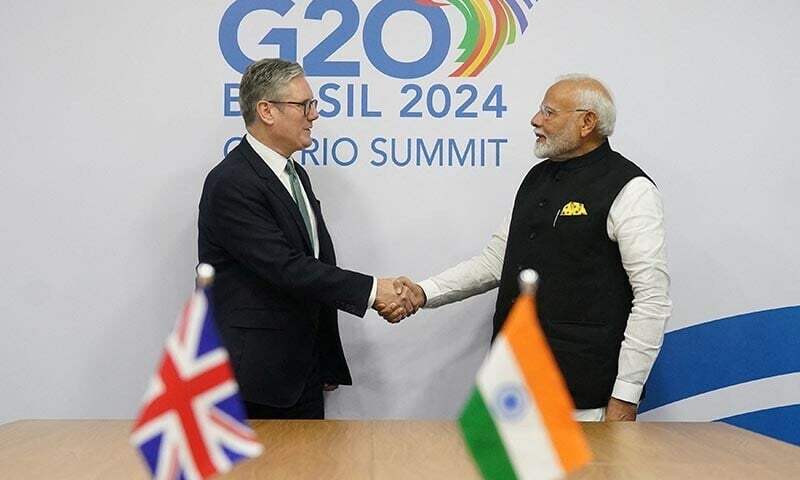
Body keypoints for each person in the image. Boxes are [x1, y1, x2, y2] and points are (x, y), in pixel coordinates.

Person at [390, 74, 672, 421]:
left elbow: (652, 299)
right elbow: (497, 262)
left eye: (549, 112)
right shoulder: (535, 179)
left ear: (587, 122)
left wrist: (625, 397)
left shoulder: (631, 189)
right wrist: (422, 292)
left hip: (582, 401)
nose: (535, 121)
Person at [198, 58, 416, 419]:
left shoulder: (295, 173)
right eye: (304, 105)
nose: (313, 115)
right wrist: (375, 291)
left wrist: (325, 357)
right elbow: (285, 268)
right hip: (253, 382)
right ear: (266, 111)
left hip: (302, 373)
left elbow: (314, 266)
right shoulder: (232, 182)